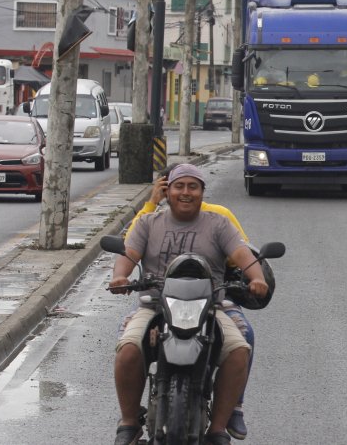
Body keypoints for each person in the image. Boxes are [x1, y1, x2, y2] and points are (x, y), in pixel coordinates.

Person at [111, 164, 267, 445]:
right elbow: (129, 253)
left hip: (210, 308)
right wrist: (120, 276)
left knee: (239, 350)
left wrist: (257, 278)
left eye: (192, 186)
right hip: (155, 306)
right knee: (128, 348)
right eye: (179, 186)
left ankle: (219, 428)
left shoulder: (218, 223)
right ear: (167, 191)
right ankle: (129, 423)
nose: (185, 192)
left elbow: (243, 255)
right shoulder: (149, 223)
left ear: (202, 192)